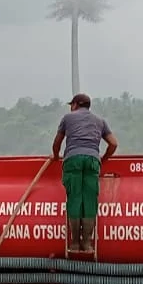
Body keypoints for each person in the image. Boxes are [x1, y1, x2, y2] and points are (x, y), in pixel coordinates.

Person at [52, 93, 118, 252]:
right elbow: (114, 144)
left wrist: (55, 157)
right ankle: (87, 244)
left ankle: (74, 243)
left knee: (74, 198)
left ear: (75, 105)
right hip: (92, 161)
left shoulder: (67, 118)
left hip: (73, 160)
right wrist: (103, 158)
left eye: (71, 105)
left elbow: (57, 143)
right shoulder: (100, 121)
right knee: (89, 200)